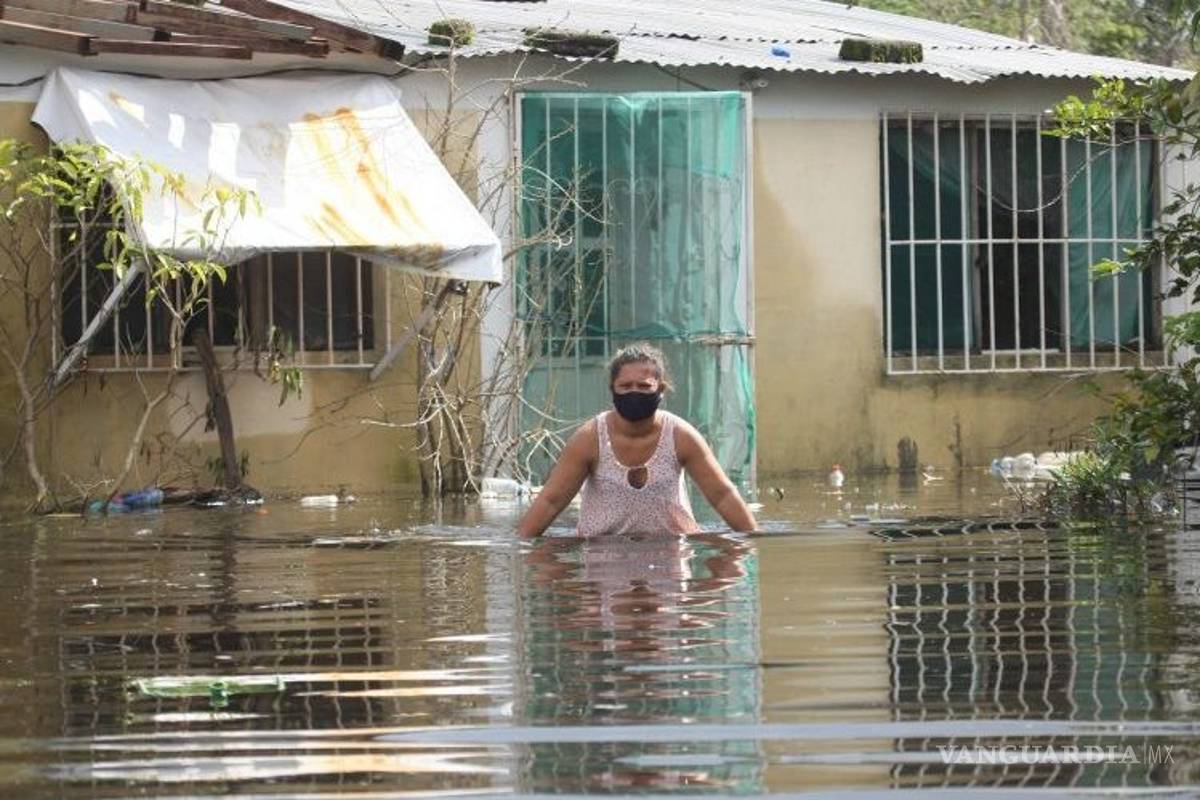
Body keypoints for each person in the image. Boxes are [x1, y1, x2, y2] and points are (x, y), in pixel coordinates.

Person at [516, 343, 757, 538]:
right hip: (603, 557)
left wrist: (752, 540)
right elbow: (551, 500)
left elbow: (722, 494)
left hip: (671, 556)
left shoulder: (681, 436)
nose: (634, 393)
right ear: (613, 389)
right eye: (625, 386)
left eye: (644, 386)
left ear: (660, 389)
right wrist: (522, 547)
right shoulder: (589, 439)